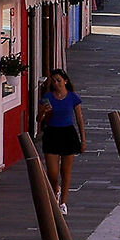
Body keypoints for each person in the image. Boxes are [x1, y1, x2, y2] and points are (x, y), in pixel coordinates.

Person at [38, 69, 86, 213]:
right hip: (52, 133)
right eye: (54, 81)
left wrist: (83, 140)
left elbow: (79, 119)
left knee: (65, 171)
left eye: (59, 80)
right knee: (52, 173)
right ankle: (55, 190)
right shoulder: (47, 97)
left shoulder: (73, 97)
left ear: (65, 81)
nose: (56, 83)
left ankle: (63, 203)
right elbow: (38, 120)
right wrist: (43, 112)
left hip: (67, 134)